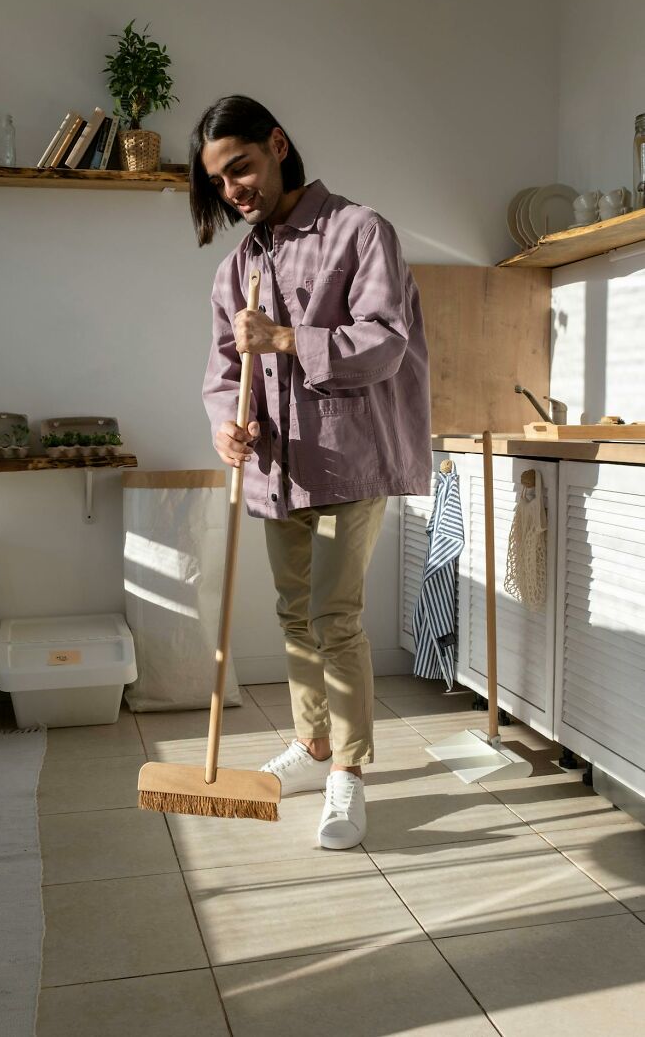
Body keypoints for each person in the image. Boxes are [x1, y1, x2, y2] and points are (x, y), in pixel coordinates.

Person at [190, 95, 431, 850]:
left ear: (278, 144)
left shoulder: (360, 232)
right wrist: (226, 425)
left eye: (243, 167)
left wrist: (289, 336)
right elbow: (224, 369)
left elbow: (385, 342)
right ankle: (313, 744)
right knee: (294, 617)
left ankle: (348, 776)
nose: (236, 188)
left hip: (347, 459)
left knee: (333, 617)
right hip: (273, 467)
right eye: (221, 181)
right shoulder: (239, 265)